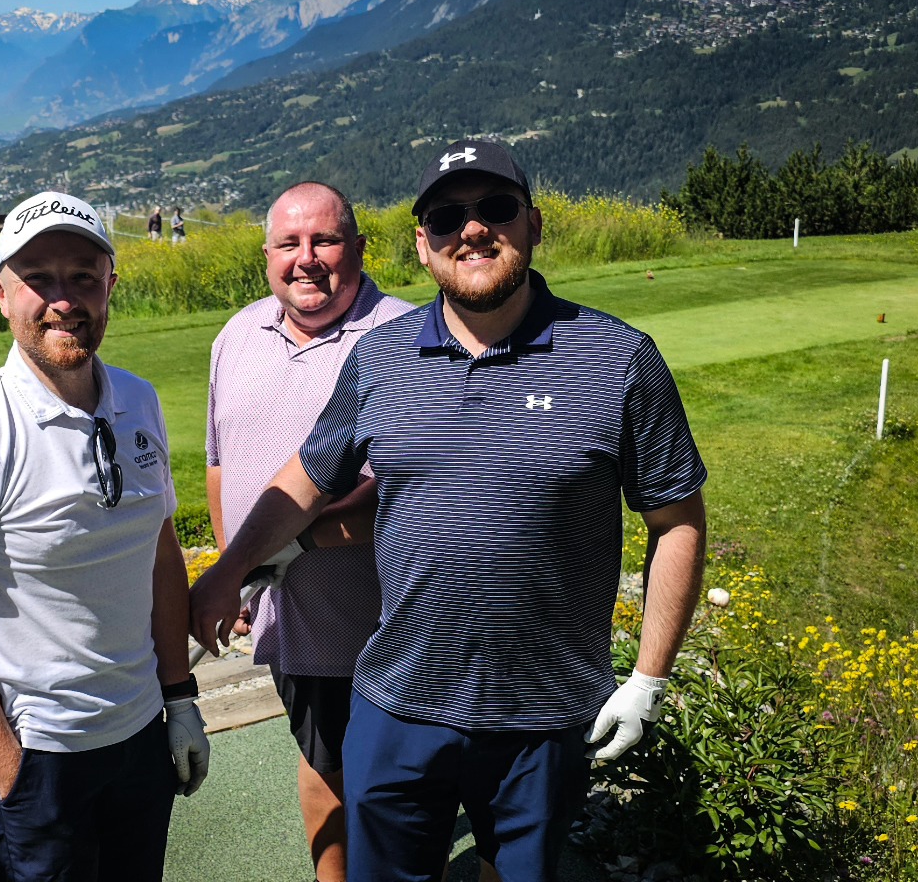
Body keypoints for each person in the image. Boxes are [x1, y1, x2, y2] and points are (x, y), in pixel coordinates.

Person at [191, 140, 708, 881]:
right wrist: (229, 568)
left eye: (494, 209)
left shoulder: (618, 358)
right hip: (396, 706)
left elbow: (677, 520)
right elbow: (307, 479)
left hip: (546, 711)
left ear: (531, 224)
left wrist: (649, 678)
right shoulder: (381, 359)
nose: (471, 230)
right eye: (445, 217)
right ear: (422, 245)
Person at [0, 190, 209, 882]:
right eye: (39, 279)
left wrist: (180, 699)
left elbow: (160, 558)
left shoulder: (140, 399)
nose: (64, 299)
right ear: (0, 294)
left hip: (137, 738)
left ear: (111, 288)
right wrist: (12, 773)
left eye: (84, 277)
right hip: (35, 757)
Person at [206, 181, 412, 881]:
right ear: (266, 255)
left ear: (357, 247)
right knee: (319, 754)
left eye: (324, 240)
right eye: (289, 244)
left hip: (383, 613)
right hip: (285, 613)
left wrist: (280, 548)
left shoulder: (407, 333)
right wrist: (235, 567)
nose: (307, 259)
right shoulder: (236, 334)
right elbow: (219, 463)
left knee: (398, 786)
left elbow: (408, 490)